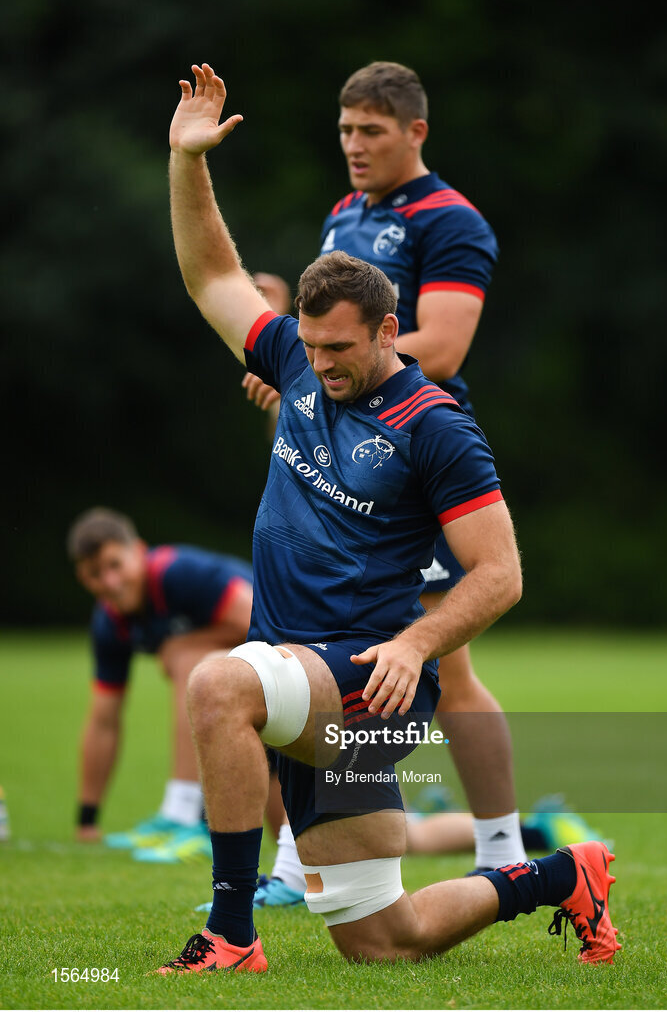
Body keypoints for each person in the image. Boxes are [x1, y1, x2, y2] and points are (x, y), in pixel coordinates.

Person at [159, 62, 620, 973]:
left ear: (385, 329)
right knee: (383, 939)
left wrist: (416, 647)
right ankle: (561, 874)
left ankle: (228, 933)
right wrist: (186, 161)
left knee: (218, 685)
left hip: (365, 676)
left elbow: (500, 573)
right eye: (311, 345)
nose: (320, 365)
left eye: (340, 348)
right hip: (312, 680)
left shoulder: (436, 427)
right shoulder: (297, 355)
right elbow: (210, 269)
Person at [68, 507, 256, 862]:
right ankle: (189, 817)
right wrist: (87, 819)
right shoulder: (109, 623)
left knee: (191, 662)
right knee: (333, 825)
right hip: (249, 679)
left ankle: (183, 814)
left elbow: (262, 622)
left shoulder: (177, 572)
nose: (109, 582)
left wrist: (184, 646)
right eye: (95, 574)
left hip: (299, 656)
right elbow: (103, 720)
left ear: (138, 551)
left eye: (115, 565)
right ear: (82, 578)